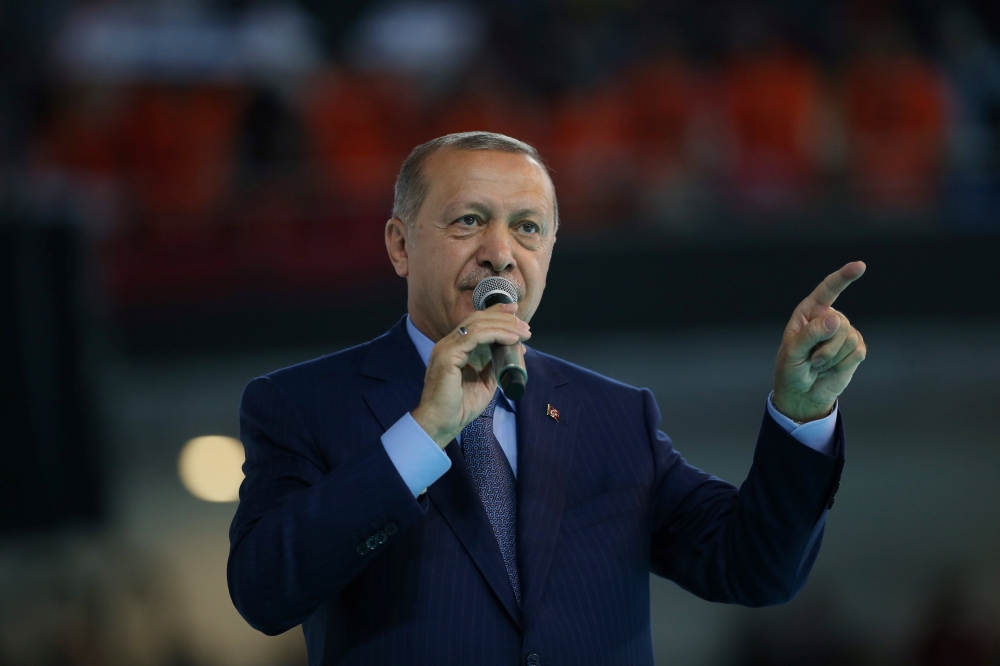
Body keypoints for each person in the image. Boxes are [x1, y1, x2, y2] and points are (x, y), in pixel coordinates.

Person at [227, 132, 866, 666]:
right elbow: (264, 592)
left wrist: (802, 414)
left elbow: (755, 569)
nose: (499, 254)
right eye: (469, 221)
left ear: (549, 252)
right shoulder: (302, 403)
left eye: (527, 228)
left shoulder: (614, 415)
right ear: (400, 245)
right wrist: (421, 435)